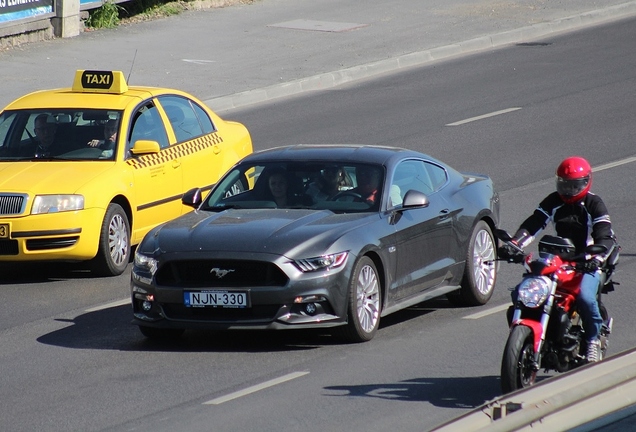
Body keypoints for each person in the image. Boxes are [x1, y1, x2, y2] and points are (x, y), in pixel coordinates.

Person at [502, 156, 618, 363]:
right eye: (565, 184)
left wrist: (597, 258)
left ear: (586, 182)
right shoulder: (553, 200)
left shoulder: (594, 204)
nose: (569, 190)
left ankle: (592, 340)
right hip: (559, 260)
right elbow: (534, 222)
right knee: (525, 290)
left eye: (575, 185)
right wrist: (514, 243)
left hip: (588, 261)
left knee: (585, 297)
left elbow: (605, 235)